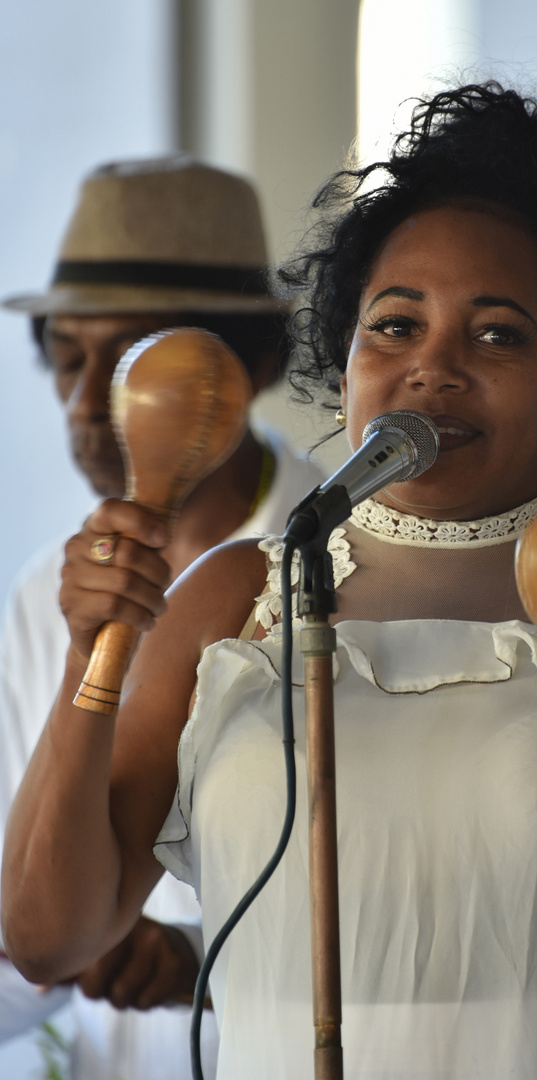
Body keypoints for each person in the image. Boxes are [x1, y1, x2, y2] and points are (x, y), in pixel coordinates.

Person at [4, 83, 537, 1079]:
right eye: (393, 326)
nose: (431, 368)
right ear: (344, 363)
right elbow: (47, 938)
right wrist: (102, 644)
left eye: (495, 334)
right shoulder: (230, 603)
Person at [0, 156, 326, 1078]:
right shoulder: (42, 598)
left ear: (253, 363)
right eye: (68, 359)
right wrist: (55, 938)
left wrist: (202, 961)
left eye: (135, 364)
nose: (83, 406)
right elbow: (22, 933)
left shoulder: (351, 570)